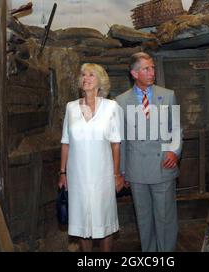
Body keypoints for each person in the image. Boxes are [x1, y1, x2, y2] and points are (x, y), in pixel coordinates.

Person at [116, 52, 182, 252]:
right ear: (134, 73)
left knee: (165, 218)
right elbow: (121, 139)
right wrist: (122, 171)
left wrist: (173, 152)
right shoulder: (120, 101)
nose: (152, 72)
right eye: (146, 68)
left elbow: (176, 128)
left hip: (163, 164)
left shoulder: (168, 94)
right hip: (136, 170)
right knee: (144, 219)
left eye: (152, 68)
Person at [58, 63, 124, 252]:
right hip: (76, 175)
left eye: (91, 75)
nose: (86, 78)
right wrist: (62, 173)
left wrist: (116, 174)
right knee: (81, 222)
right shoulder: (71, 107)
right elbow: (65, 142)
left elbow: (116, 143)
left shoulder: (111, 107)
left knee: (105, 220)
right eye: (83, 75)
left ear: (100, 81)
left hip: (102, 174)